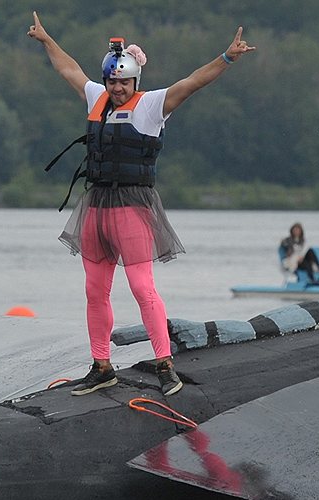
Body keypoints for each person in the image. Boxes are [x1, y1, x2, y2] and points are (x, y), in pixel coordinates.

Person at [28, 12, 255, 396]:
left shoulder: (151, 106)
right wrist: (47, 40)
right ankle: (101, 365)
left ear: (136, 81)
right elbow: (69, 70)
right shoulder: (95, 99)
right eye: (113, 81)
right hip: (96, 206)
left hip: (133, 206)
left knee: (141, 287)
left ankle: (165, 364)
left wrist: (227, 57)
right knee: (94, 290)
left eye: (124, 82)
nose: (117, 88)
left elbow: (193, 82)